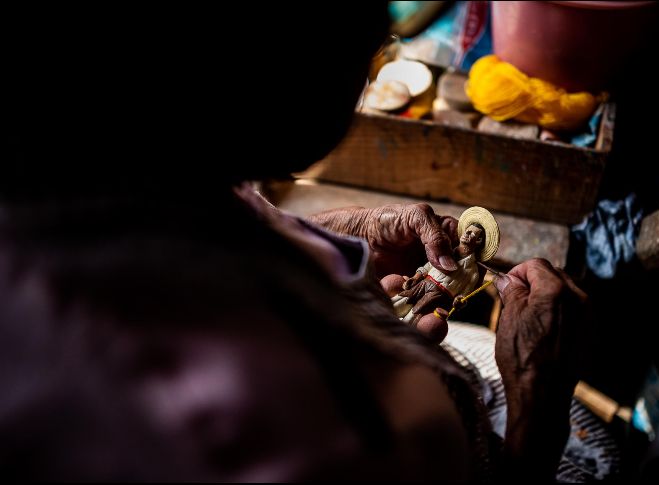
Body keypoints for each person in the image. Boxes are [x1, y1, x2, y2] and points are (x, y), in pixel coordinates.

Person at [0, 3, 587, 482]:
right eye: (373, 30)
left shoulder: (90, 152)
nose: (378, 53)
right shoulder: (334, 429)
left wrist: (335, 237)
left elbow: (219, 216)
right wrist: (537, 405)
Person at [381, 206, 499, 342]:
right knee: (399, 302)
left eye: (473, 234)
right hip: (423, 284)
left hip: (438, 296)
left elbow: (464, 293)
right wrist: (415, 277)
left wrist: (459, 300)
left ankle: (400, 341)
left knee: (416, 318)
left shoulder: (472, 271)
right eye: (468, 230)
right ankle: (375, 320)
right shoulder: (446, 251)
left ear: (478, 241)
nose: (467, 234)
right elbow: (428, 266)